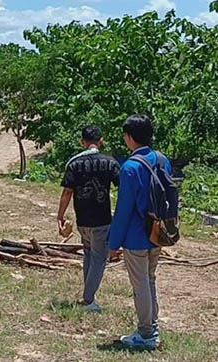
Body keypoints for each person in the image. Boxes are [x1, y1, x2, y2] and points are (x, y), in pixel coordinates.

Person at [109, 115, 172, 350]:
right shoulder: (161, 160)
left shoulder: (130, 167)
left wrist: (114, 243)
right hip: (157, 233)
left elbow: (124, 210)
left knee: (140, 285)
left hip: (136, 236)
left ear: (129, 137)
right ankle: (152, 327)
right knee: (150, 280)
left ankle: (146, 334)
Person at [57, 126, 120, 313]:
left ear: (82, 142)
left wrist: (60, 216)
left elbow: (67, 192)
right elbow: (123, 188)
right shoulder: (109, 162)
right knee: (99, 259)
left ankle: (88, 296)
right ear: (101, 141)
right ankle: (88, 300)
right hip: (102, 219)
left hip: (82, 219)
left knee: (89, 255)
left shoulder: (74, 163)